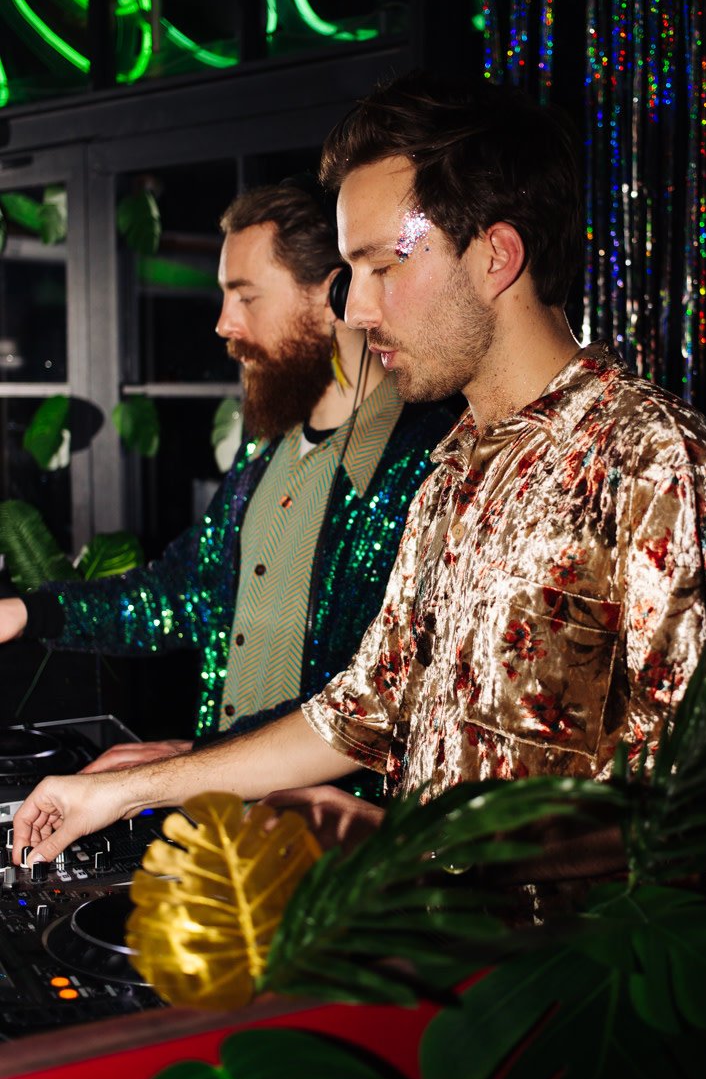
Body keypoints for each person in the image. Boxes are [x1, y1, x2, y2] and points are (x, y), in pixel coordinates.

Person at [12, 73, 706, 882]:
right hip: (409, 948)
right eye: (350, 271)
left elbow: (705, 811)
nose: (356, 311)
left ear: (497, 257)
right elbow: (360, 710)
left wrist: (413, 850)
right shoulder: (452, 470)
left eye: (382, 265)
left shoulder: (655, 465)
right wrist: (124, 791)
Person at [0, 183, 453, 793]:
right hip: (226, 819)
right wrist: (27, 612)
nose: (223, 323)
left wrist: (190, 759)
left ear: (334, 296)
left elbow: (397, 699)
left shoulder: (428, 461)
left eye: (246, 296)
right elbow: (180, 592)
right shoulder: (265, 450)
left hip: (339, 838)